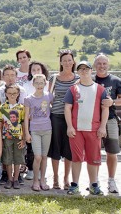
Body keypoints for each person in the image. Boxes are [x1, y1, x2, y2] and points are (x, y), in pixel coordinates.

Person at [64, 61, 109, 196]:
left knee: (93, 159)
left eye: (86, 69)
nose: (84, 71)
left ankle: (94, 185)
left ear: (91, 71)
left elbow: (105, 109)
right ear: (78, 72)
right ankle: (75, 184)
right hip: (76, 130)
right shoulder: (73, 89)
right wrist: (70, 126)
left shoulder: (100, 89)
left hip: (94, 130)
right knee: (76, 158)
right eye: (81, 69)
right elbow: (67, 108)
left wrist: (102, 127)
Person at [93, 53, 121, 194]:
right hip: (92, 121)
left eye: (104, 63)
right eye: (99, 63)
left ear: (108, 65)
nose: (102, 66)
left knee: (111, 152)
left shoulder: (116, 80)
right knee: (93, 152)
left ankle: (111, 180)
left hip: (111, 120)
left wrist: (112, 101)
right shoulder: (90, 79)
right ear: (94, 65)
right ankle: (94, 181)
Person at [47, 50, 79, 190]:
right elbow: (48, 98)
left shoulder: (78, 78)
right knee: (56, 148)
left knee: (69, 150)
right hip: (56, 116)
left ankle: (66, 178)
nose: (67, 62)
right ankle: (55, 178)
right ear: (60, 62)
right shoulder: (54, 78)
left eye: (69, 60)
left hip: (72, 119)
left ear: (73, 62)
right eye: (64, 60)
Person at [0, 64, 27, 186]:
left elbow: (24, 115)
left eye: (12, 75)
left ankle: (17, 177)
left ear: (16, 76)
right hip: (5, 129)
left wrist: (25, 134)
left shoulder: (22, 91)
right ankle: (6, 175)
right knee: (6, 155)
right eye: (7, 74)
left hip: (18, 131)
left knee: (18, 155)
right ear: (3, 76)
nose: (10, 77)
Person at [24, 74, 53, 191]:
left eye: (42, 83)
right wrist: (27, 133)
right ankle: (35, 180)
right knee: (37, 157)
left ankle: (43, 180)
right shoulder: (28, 99)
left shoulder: (49, 96)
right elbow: (26, 117)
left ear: (45, 84)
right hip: (35, 130)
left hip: (47, 129)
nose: (39, 85)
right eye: (37, 83)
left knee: (45, 157)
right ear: (33, 84)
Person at [0, 84, 25, 189]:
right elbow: (0, 123)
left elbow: (23, 123)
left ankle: (16, 178)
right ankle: (9, 179)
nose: (12, 95)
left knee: (18, 158)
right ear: (6, 94)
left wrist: (24, 138)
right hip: (6, 137)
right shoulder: (2, 107)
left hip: (18, 137)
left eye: (14, 93)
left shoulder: (21, 108)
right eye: (10, 93)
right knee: (8, 159)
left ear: (18, 94)